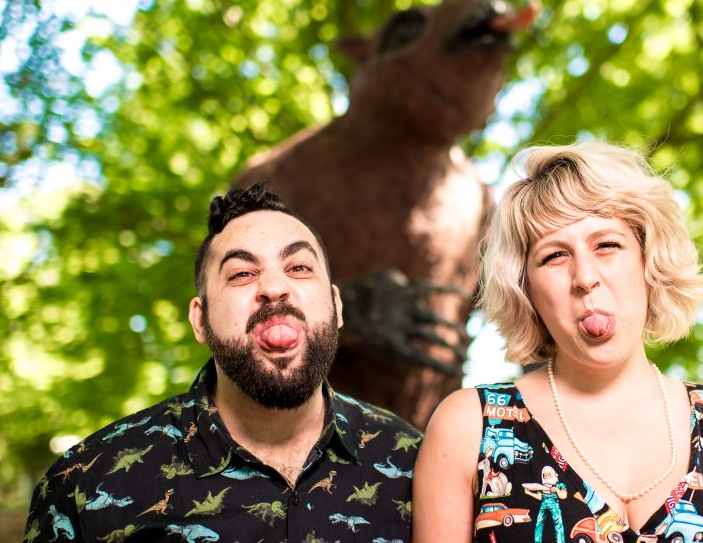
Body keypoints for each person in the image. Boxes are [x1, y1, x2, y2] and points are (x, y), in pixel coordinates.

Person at [413, 142, 703, 543]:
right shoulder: (468, 428)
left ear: (648, 260)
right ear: (526, 290)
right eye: (554, 256)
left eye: (607, 245)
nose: (584, 276)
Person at [25, 183, 420, 542]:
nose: (274, 288)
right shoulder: (83, 484)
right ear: (200, 319)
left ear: (335, 306)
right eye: (242, 273)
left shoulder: (414, 466)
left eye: (298, 267)